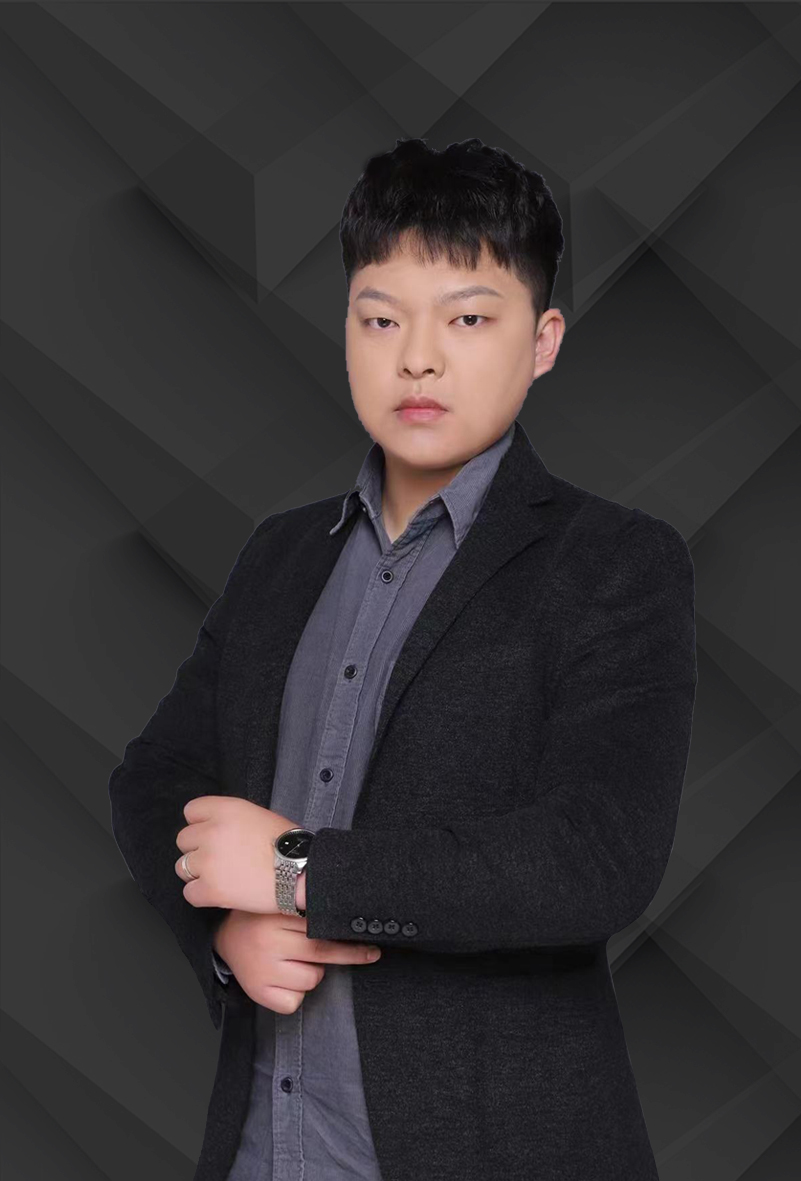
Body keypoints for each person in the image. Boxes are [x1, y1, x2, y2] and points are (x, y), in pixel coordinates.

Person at [108, 136, 697, 1181]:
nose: (416, 358)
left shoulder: (614, 562)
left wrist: (298, 874)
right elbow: (154, 778)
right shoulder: (280, 555)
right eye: (380, 319)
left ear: (543, 340)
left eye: (467, 319)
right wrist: (224, 938)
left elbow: (595, 857)